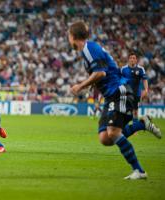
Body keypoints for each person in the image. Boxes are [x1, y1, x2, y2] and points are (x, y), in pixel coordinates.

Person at [68, 21, 162, 180]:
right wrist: (93, 85)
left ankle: (139, 170)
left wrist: (81, 86)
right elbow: (103, 72)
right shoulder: (88, 50)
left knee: (113, 132)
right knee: (105, 138)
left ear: (73, 37)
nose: (68, 39)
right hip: (110, 95)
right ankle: (141, 124)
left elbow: (101, 73)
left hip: (119, 91)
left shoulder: (89, 49)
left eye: (68, 36)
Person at [121, 52, 148, 120]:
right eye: (130, 58)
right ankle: (125, 128)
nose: (132, 59)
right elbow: (119, 80)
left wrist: (146, 89)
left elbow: (144, 79)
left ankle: (135, 128)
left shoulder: (140, 69)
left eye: (134, 58)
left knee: (135, 111)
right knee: (126, 111)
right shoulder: (123, 69)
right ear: (128, 59)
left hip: (137, 94)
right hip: (126, 93)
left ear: (136, 60)